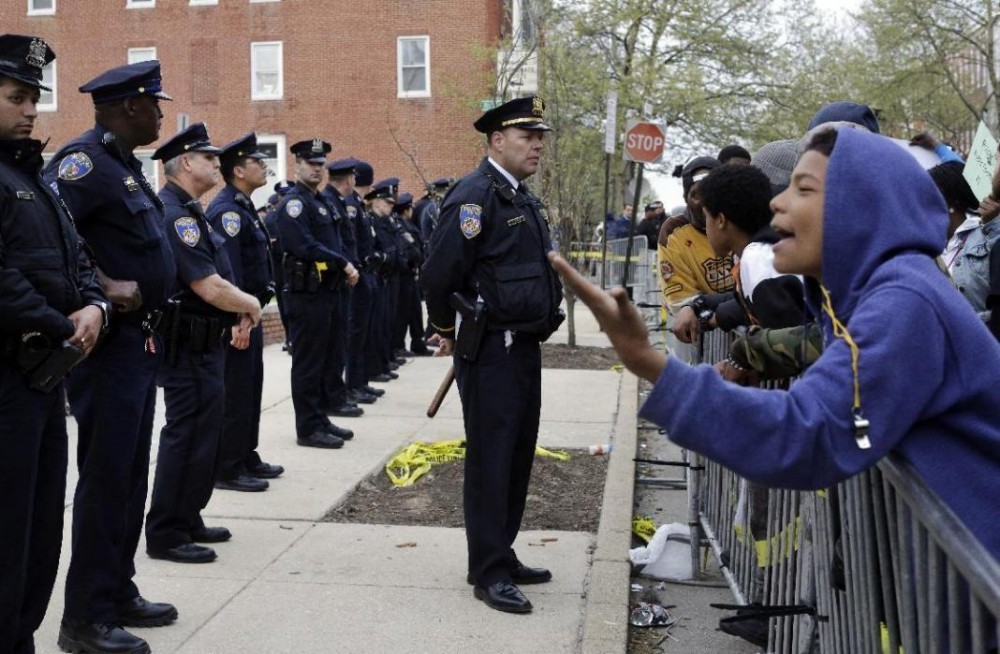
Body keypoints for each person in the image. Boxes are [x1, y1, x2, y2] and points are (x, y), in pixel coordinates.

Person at [552, 126, 1000, 560]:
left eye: (802, 190)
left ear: (857, 207)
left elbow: (808, 432)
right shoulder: (868, 294)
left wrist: (650, 364)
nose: (777, 203)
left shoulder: (903, 301)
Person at [45, 59, 179, 653]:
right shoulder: (82, 163)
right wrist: (99, 286)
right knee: (105, 477)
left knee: (128, 474)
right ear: (131, 107)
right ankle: (85, 619)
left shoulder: (123, 165)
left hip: (139, 344)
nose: (161, 113)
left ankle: (117, 588)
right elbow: (47, 231)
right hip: (109, 348)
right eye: (156, 104)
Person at [422, 95, 565, 614]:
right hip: (491, 349)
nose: (538, 146)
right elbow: (438, 274)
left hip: (523, 343)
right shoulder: (475, 195)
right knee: (491, 457)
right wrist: (446, 329)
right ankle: (487, 571)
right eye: (528, 137)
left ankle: (501, 550)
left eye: (540, 138)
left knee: (517, 454)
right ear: (497, 140)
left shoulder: (519, 197)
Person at [0, 34, 107, 654]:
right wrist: (62, 321)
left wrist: (91, 304)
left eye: (34, 97)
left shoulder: (33, 180)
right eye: (16, 96)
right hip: (7, 384)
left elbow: (79, 259)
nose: (30, 109)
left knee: (39, 532)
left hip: (43, 383)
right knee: (6, 532)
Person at [144, 123, 262, 565]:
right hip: (186, 345)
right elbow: (207, 285)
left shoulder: (192, 210)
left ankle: (188, 516)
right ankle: (166, 532)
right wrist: (248, 304)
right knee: (186, 433)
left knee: (203, 435)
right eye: (210, 158)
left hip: (205, 344)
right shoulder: (175, 214)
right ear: (186, 163)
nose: (218, 164)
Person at [207, 132, 284, 493]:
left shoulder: (244, 205)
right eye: (256, 161)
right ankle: (228, 465)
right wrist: (240, 317)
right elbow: (229, 271)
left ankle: (245, 453)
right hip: (239, 318)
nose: (263, 166)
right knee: (236, 392)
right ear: (238, 170)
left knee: (250, 388)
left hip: (250, 315)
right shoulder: (226, 211)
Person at [275, 139, 359, 449]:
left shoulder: (321, 201)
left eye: (320, 163)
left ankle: (321, 417)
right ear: (296, 165)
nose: (316, 168)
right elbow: (304, 246)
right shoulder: (295, 204)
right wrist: (343, 263)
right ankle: (307, 428)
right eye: (310, 163)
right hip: (306, 294)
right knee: (309, 363)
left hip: (328, 292)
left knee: (328, 359)